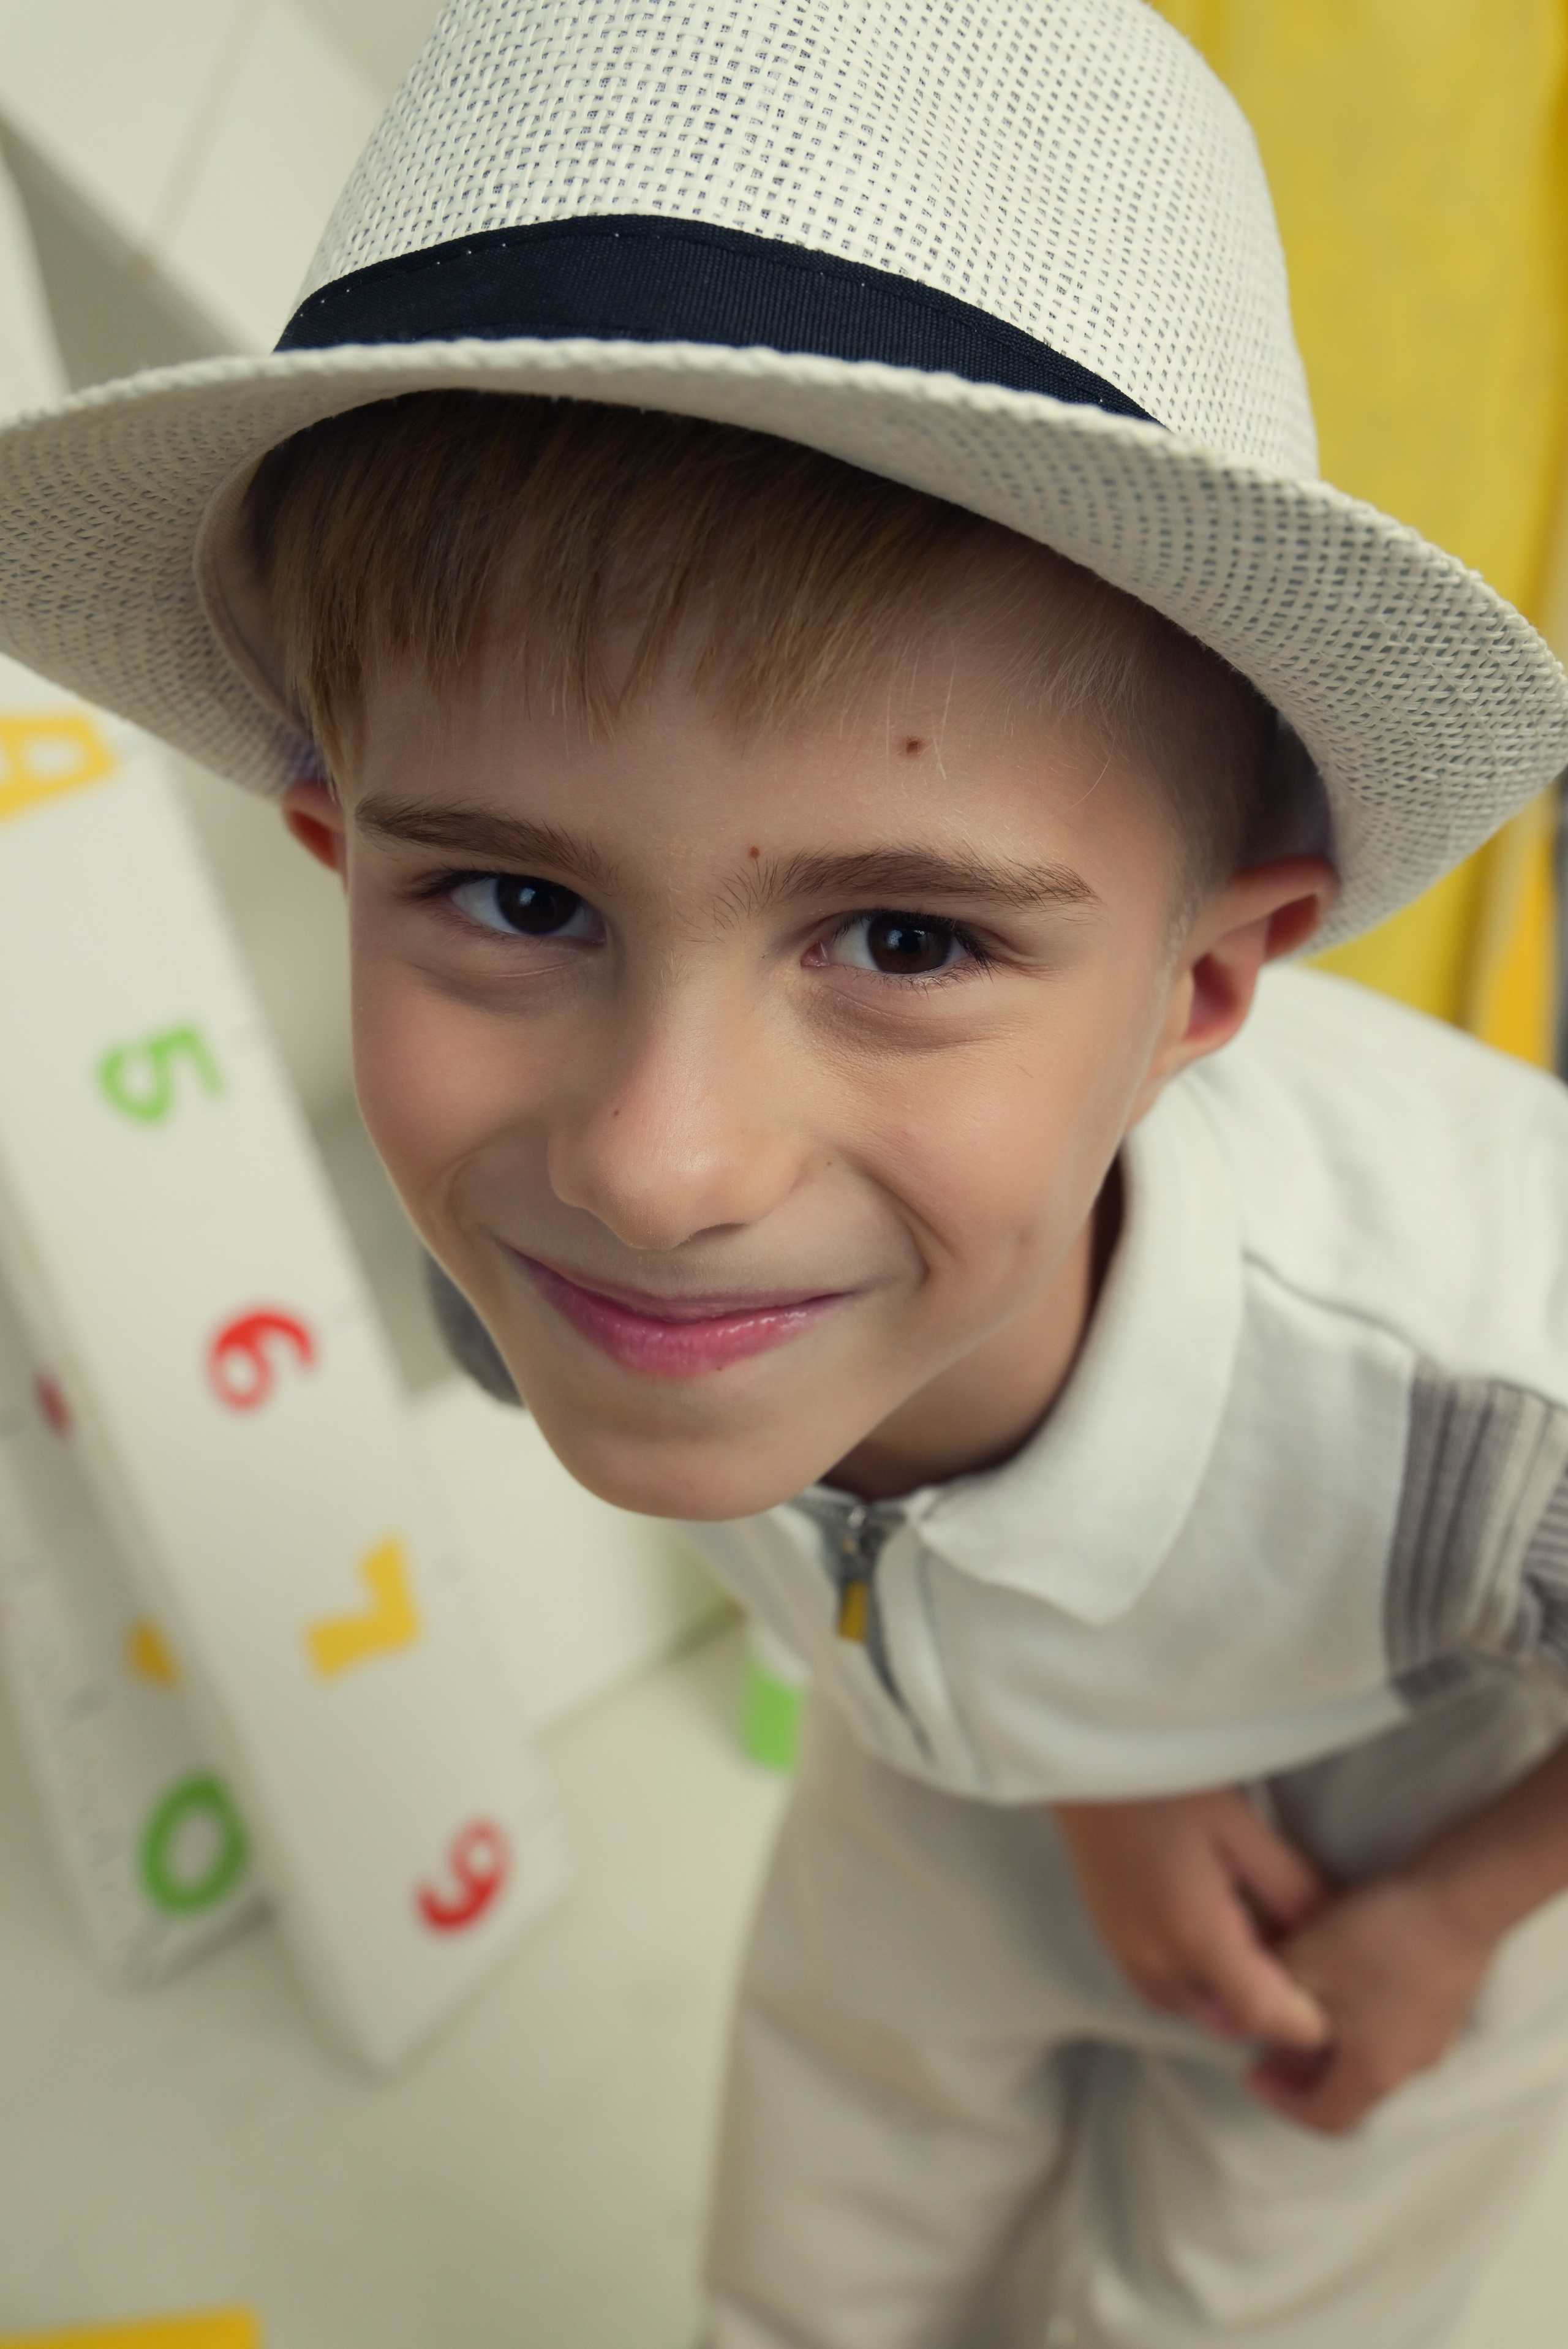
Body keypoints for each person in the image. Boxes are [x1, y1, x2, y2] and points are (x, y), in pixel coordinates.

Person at [1, 0, 1567, 2341]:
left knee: (1243, 2293)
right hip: (953, 1745)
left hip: (1390, 1827)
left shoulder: (1483, 1385)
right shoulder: (541, 1259)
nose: (658, 1165)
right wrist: (1092, 1770)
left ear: (1202, 990)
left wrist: (1450, 1915)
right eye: (517, 902)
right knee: (827, 2223)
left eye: (907, 936)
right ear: (337, 850)